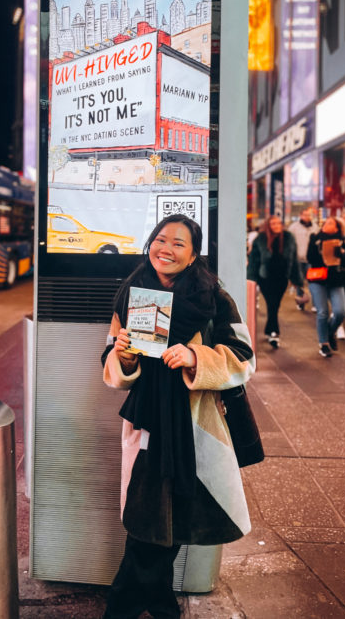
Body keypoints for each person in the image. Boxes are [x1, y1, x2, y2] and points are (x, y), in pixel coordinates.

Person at [101, 214, 255, 619]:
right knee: (148, 520)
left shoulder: (213, 297)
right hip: (147, 421)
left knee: (167, 519)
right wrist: (124, 356)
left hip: (194, 426)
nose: (165, 249)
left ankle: (133, 606)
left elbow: (244, 357)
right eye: (160, 239)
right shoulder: (131, 293)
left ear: (192, 255)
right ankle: (156, 605)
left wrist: (195, 357)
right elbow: (111, 360)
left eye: (178, 243)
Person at [246, 215, 303, 348]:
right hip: (265, 278)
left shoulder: (289, 238)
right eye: (273, 224)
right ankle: (274, 333)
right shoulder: (261, 239)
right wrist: (251, 279)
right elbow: (254, 261)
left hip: (282, 278)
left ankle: (269, 329)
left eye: (278, 223)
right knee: (272, 304)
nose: (276, 226)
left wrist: (296, 280)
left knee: (275, 305)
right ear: (268, 225)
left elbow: (294, 260)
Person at [306, 216, 345, 357]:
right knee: (323, 312)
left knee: (340, 312)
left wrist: (341, 254)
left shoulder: (343, 241)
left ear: (337, 228)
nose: (326, 225)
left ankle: (330, 332)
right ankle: (324, 343)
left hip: (336, 281)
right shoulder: (315, 239)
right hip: (318, 279)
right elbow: (310, 258)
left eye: (331, 223)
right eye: (326, 223)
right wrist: (323, 252)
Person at [288, 208, 317, 310]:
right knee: (299, 281)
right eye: (305, 215)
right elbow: (289, 242)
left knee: (313, 282)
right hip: (298, 259)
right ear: (301, 215)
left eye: (309, 215)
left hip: (310, 260)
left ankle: (315, 304)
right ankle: (300, 301)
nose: (307, 217)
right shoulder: (294, 227)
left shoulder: (315, 227)